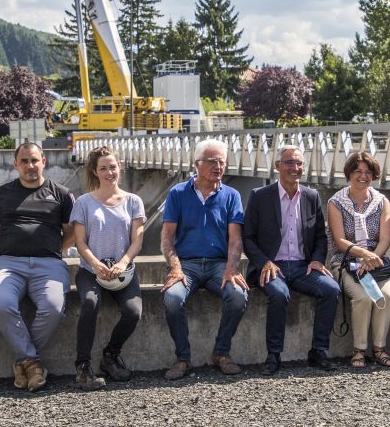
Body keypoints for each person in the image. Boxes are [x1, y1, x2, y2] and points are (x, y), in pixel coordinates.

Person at [0, 142, 75, 392]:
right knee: (2, 305)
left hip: (49, 264)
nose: (30, 166)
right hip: (8, 263)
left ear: (43, 161)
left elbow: (71, 233)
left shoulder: (62, 194)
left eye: (34, 160)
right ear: (15, 164)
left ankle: (24, 361)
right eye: (24, 161)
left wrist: (56, 250)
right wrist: (5, 247)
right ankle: (33, 364)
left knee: (54, 308)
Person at [243, 145, 340, 375]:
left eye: (299, 163)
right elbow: (247, 237)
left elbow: (319, 236)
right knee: (279, 294)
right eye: (289, 163)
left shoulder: (311, 196)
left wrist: (317, 260)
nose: (294, 168)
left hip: (301, 266)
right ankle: (274, 355)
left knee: (331, 289)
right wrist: (264, 262)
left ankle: (318, 351)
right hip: (271, 266)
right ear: (277, 166)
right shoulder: (260, 196)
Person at [160, 138, 249, 380]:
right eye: (212, 161)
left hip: (217, 264)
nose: (218, 166)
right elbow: (167, 236)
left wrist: (232, 268)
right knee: (172, 298)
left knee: (238, 296)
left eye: (222, 161)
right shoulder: (178, 193)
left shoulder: (231, 195)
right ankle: (183, 358)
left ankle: (221, 352)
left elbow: (235, 239)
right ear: (197, 164)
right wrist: (175, 268)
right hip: (186, 264)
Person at [70, 146, 146, 390]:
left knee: (133, 311)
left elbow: (137, 239)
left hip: (124, 271)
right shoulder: (83, 202)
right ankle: (82, 367)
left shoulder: (133, 201)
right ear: (95, 171)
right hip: (91, 270)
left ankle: (110, 356)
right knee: (91, 303)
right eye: (103, 168)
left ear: (119, 167)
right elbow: (79, 242)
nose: (109, 172)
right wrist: (96, 264)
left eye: (112, 167)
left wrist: (123, 262)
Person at [327, 151, 390, 369]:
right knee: (363, 297)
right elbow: (339, 240)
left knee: (385, 296)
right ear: (349, 173)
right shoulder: (336, 202)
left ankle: (379, 349)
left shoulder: (382, 202)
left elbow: (386, 238)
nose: (363, 176)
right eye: (357, 171)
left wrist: (372, 257)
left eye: (368, 172)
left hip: (376, 263)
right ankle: (358, 350)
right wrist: (363, 254)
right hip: (346, 261)